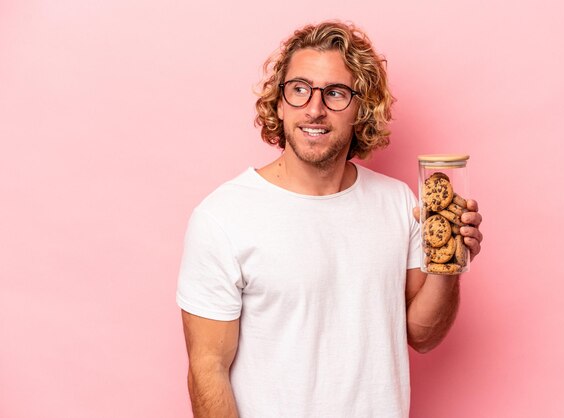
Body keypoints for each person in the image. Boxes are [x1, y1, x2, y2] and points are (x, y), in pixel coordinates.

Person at [176, 20, 483, 418]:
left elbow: (422, 337)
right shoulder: (223, 217)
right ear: (280, 103)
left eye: (335, 93)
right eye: (299, 90)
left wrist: (449, 260)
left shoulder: (396, 203)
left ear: (361, 108)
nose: (315, 109)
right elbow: (207, 369)